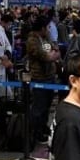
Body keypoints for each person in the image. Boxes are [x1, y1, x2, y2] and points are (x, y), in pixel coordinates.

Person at [27, 16, 61, 145]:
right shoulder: (32, 40)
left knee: (47, 105)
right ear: (42, 28)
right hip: (39, 77)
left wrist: (52, 55)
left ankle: (43, 127)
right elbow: (45, 56)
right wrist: (51, 55)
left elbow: (56, 51)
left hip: (50, 76)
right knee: (38, 107)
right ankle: (35, 132)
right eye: (47, 27)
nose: (48, 29)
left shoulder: (46, 38)